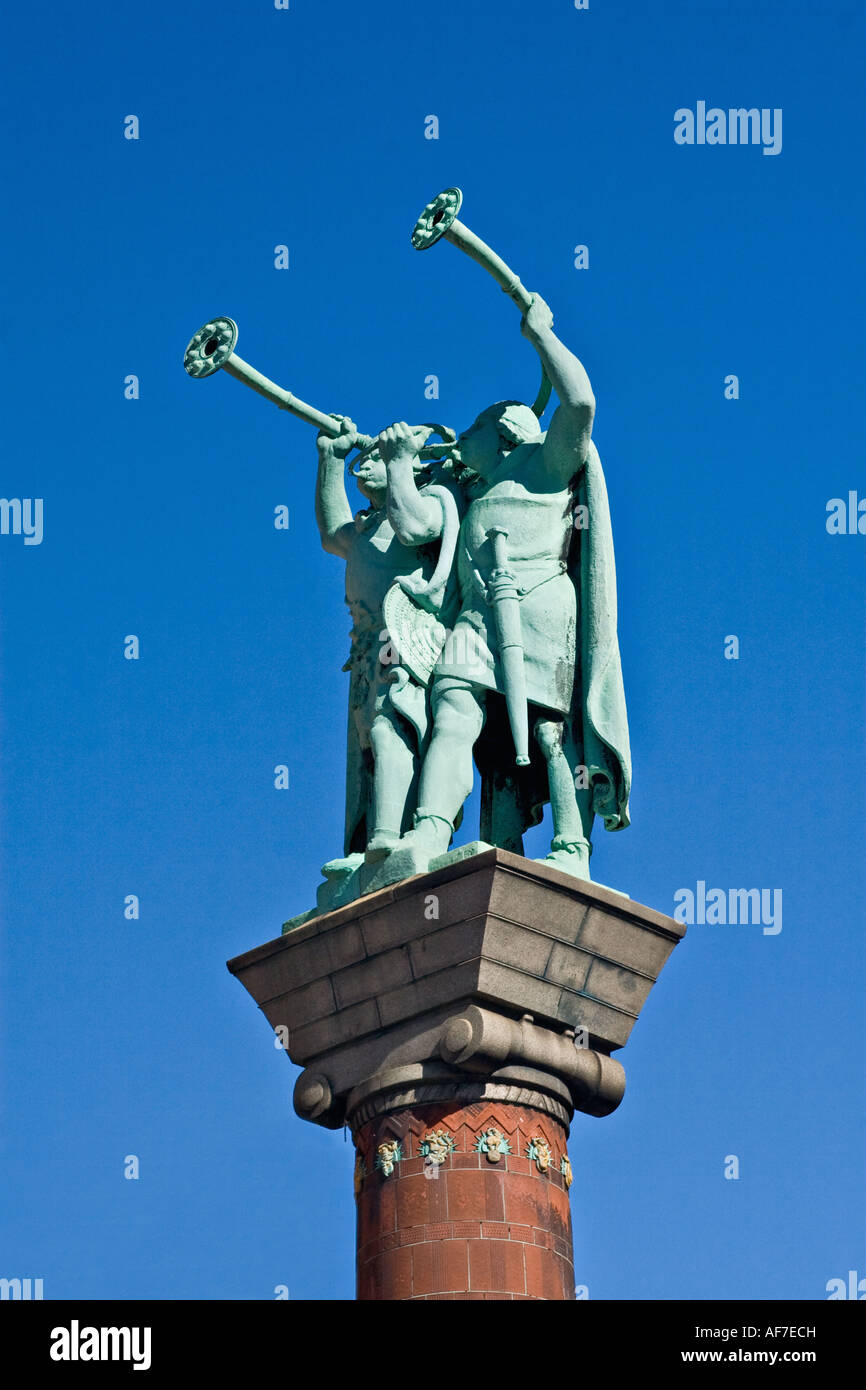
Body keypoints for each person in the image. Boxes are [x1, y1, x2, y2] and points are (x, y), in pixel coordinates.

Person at [381, 293, 631, 880]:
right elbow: (413, 524)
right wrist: (397, 465)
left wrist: (541, 336)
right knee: (454, 710)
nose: (459, 440)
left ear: (503, 434)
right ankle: (427, 833)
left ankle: (572, 846)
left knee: (550, 731)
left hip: (539, 608)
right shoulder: (467, 500)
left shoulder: (544, 464)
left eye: (470, 428)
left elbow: (581, 402)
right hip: (476, 620)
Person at [314, 417, 462, 876]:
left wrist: (399, 461)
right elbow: (330, 534)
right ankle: (377, 838)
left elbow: (415, 531)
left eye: (375, 458)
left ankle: (384, 840)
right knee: (368, 743)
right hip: (364, 647)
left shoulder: (432, 500)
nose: (367, 463)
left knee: (389, 725)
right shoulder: (365, 526)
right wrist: (330, 461)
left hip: (405, 635)